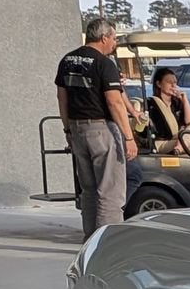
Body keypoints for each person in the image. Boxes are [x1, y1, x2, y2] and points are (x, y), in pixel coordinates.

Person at [55, 19, 137, 238]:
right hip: (102, 130)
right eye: (114, 38)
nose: (115, 42)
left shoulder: (67, 60)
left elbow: (61, 99)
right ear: (104, 38)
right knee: (110, 191)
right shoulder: (104, 64)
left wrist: (68, 131)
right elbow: (114, 102)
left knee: (89, 190)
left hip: (77, 130)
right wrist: (129, 138)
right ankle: (107, 242)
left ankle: (90, 238)